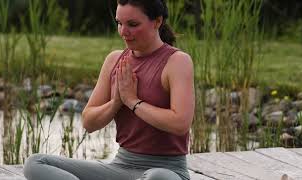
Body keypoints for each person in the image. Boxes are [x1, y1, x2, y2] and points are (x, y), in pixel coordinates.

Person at [23, 0, 195, 179]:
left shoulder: (177, 62)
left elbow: (180, 124)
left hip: (168, 171)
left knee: (156, 178)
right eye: (119, 23)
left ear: (157, 21)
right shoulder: (114, 60)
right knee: (36, 163)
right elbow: (89, 122)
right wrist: (116, 103)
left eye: (133, 24)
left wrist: (133, 102)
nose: (123, 32)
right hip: (121, 167)